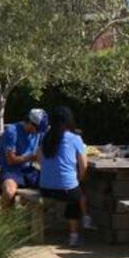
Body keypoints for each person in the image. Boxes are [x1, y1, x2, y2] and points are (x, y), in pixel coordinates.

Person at [39, 106, 88, 247]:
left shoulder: (45, 137)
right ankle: (75, 234)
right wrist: (78, 179)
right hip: (66, 190)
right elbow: (83, 165)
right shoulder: (75, 138)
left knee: (73, 191)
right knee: (76, 196)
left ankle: (82, 222)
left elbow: (40, 160)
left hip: (45, 188)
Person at [0, 109, 45, 209]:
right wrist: (31, 157)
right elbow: (10, 160)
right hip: (10, 170)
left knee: (52, 186)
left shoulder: (39, 133)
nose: (37, 133)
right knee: (9, 192)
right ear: (30, 123)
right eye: (37, 129)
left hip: (29, 170)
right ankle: (5, 220)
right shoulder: (12, 131)